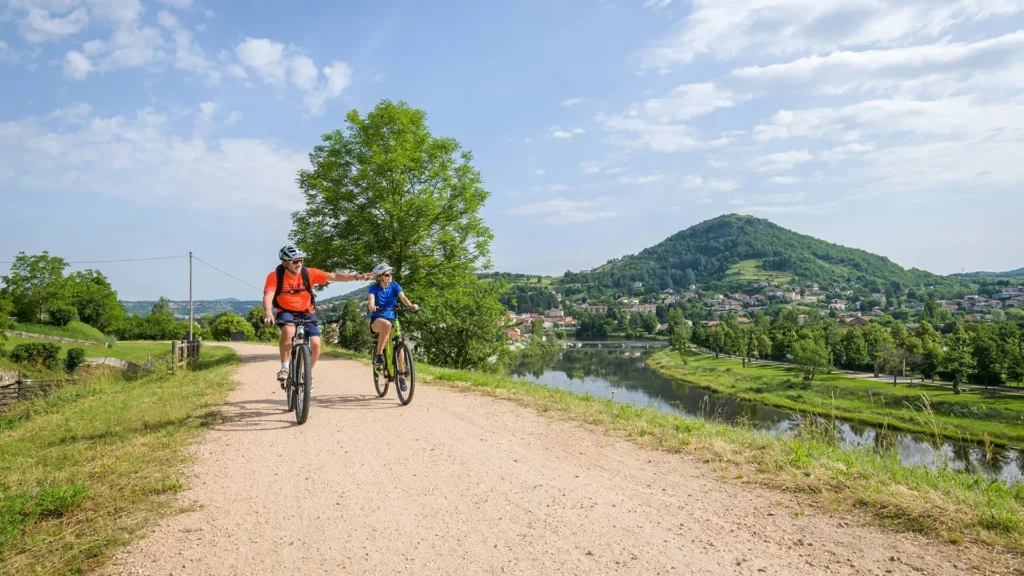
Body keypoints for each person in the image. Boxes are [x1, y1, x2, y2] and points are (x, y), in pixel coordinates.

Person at [263, 244, 371, 385]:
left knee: (315, 343)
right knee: (289, 330)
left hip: (307, 312)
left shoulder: (308, 273)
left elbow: (334, 276)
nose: (299, 264)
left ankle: (307, 375)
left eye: (301, 260)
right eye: (295, 261)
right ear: (285, 263)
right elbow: (268, 295)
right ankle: (284, 367)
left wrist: (357, 277)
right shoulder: (275, 276)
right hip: (286, 311)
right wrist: (268, 312)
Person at [368, 263, 418, 373]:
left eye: (390, 274)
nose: (389, 276)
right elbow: (371, 299)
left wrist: (411, 305)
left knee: (400, 341)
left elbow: (403, 297)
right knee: (387, 325)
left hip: (393, 318)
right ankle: (379, 354)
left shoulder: (395, 286)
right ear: (379, 277)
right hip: (377, 320)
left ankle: (401, 373)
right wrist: (372, 306)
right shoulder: (374, 288)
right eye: (386, 275)